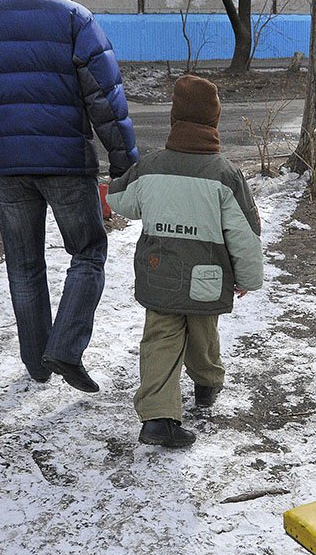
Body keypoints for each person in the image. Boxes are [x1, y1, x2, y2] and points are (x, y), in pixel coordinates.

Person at [0, 0, 137, 393]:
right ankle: (66, 349)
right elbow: (105, 100)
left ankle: (36, 362)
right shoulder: (76, 19)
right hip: (67, 164)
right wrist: (123, 161)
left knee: (24, 265)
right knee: (88, 252)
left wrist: (1, 131)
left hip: (8, 168)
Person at [106, 76, 263, 447]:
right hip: (206, 276)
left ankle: (158, 418)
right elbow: (245, 233)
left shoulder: (151, 166)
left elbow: (119, 201)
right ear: (214, 121)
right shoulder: (225, 174)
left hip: (159, 270)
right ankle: (207, 385)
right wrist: (247, 278)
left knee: (160, 337)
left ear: (175, 118)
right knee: (203, 333)